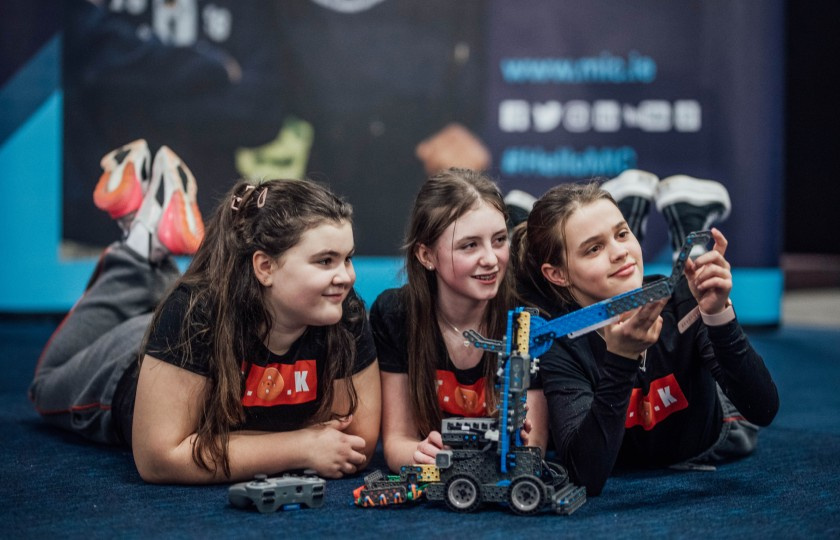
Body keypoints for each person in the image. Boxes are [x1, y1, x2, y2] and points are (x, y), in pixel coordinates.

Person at [29, 141, 381, 483]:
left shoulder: (342, 313)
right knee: (44, 388)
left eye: (347, 258)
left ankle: (149, 247)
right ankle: (139, 247)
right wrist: (298, 446)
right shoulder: (193, 314)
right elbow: (158, 458)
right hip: (125, 364)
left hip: (179, 346)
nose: (346, 277)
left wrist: (233, 444)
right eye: (325, 261)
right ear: (265, 267)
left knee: (177, 302)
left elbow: (355, 445)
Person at [511, 171, 779, 496]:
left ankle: (685, 229)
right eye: (593, 248)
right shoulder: (556, 342)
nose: (620, 251)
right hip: (617, 459)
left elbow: (763, 409)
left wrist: (718, 316)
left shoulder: (682, 299)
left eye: (622, 234)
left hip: (712, 439)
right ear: (558, 274)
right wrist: (621, 359)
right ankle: (516, 221)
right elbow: (585, 475)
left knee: (694, 289)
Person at [370, 168, 548, 472]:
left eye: (499, 240)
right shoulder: (395, 314)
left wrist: (519, 444)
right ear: (426, 256)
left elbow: (535, 449)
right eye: (470, 245)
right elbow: (398, 442)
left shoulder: (529, 319)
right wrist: (420, 455)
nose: (491, 259)